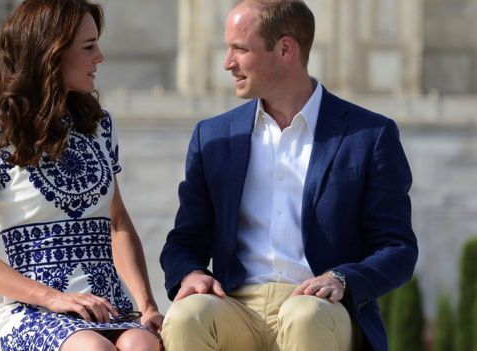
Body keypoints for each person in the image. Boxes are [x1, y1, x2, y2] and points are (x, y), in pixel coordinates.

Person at [159, 0, 418, 350]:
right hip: (234, 304)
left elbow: (397, 249)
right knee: (186, 317)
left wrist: (343, 279)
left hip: (319, 306)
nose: (227, 63)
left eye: (239, 48)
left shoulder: (369, 135)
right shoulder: (215, 137)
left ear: (285, 49)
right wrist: (190, 273)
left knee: (304, 317)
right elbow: (184, 241)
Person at [0, 1, 163, 350]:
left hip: (108, 307)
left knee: (143, 344)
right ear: (52, 53)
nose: (100, 58)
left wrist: (147, 304)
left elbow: (118, 223)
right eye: (89, 47)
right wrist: (52, 298)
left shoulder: (99, 127)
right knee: (92, 348)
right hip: (35, 309)